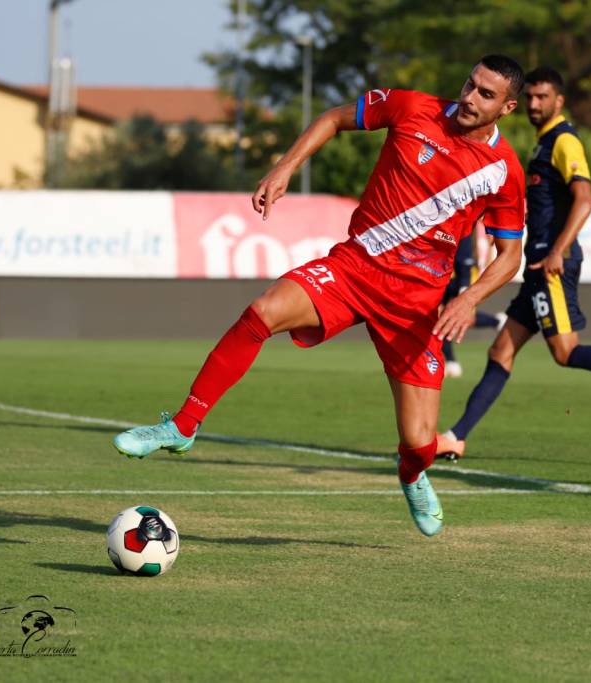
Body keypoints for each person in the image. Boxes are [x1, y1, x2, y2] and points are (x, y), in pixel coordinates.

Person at [112, 55, 530, 537]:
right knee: (262, 312)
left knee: (418, 442)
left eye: (485, 94)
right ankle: (182, 426)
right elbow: (334, 117)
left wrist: (468, 298)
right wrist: (285, 166)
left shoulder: (504, 172)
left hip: (415, 306)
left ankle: (412, 474)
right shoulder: (411, 107)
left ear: (507, 107)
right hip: (354, 269)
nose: (469, 97)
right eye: (469, 83)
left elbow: (509, 256)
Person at [436, 67, 591, 462]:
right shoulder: (542, 144)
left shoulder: (564, 141)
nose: (535, 104)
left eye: (543, 97)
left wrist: (557, 250)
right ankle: (456, 436)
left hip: (552, 264)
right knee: (501, 352)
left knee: (566, 352)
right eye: (531, 97)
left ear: (559, 101)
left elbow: (584, 199)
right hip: (537, 265)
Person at [441, 223, 508, 378]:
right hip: (444, 274)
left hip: (465, 275)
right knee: (440, 318)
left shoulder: (472, 219)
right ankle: (450, 362)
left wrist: (464, 290)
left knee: (464, 318)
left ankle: (495, 321)